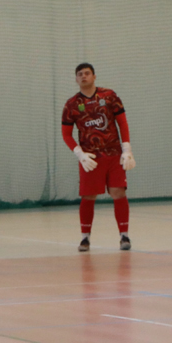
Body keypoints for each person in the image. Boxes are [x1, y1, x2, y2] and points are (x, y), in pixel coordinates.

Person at [61, 63, 135, 252]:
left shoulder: (109, 96)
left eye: (87, 73)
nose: (84, 76)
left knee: (118, 192)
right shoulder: (71, 104)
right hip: (91, 158)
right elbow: (66, 134)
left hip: (113, 154)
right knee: (88, 196)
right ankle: (85, 238)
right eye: (80, 74)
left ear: (94, 76)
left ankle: (124, 235)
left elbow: (122, 123)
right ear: (76, 79)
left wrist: (126, 149)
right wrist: (80, 154)